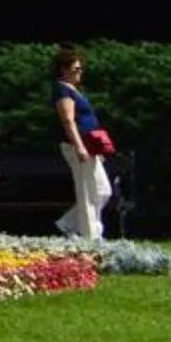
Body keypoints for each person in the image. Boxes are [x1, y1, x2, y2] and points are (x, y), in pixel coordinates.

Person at [50, 46, 114, 242]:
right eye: (76, 69)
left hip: (90, 146)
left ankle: (68, 223)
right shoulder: (62, 90)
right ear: (64, 69)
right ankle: (91, 236)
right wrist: (80, 146)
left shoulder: (74, 90)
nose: (80, 72)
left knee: (103, 190)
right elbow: (68, 120)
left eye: (80, 69)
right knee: (87, 190)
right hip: (78, 146)